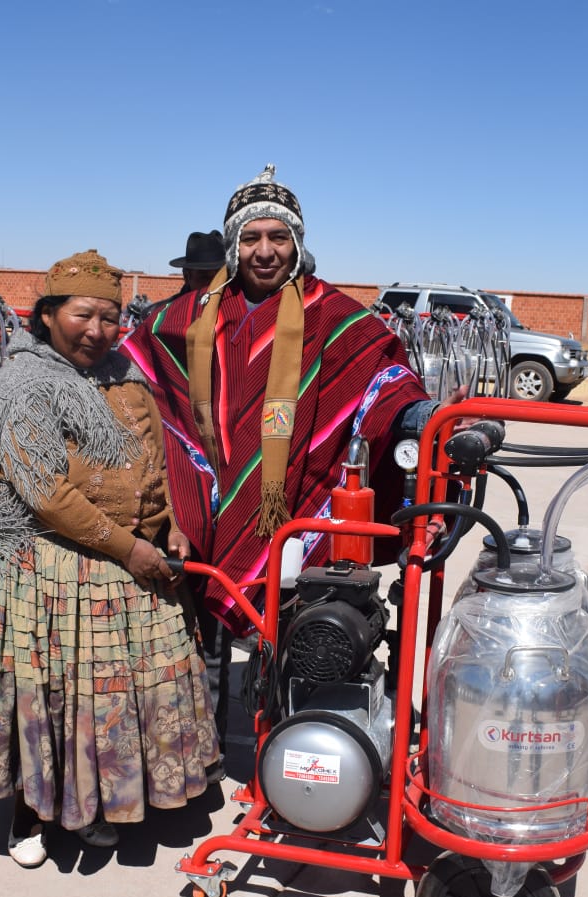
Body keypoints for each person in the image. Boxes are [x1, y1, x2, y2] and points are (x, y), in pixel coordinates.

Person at [121, 165, 434, 767]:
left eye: (278, 237)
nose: (264, 251)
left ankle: (292, 762)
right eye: (250, 238)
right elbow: (137, 368)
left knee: (301, 642)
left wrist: (418, 413)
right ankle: (199, 756)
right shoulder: (188, 317)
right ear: (233, 244)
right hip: (204, 514)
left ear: (298, 242)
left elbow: (384, 378)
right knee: (198, 638)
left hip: (291, 514)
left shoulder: (334, 316)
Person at [0, 249, 217, 864]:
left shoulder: (127, 375)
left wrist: (173, 522)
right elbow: (45, 494)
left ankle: (91, 803)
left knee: (107, 702)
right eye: (82, 315)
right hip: (52, 569)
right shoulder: (25, 383)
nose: (97, 330)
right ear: (45, 316)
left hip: (134, 562)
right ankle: (30, 814)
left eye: (110, 318)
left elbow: (157, 455)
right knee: (52, 696)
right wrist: (129, 547)